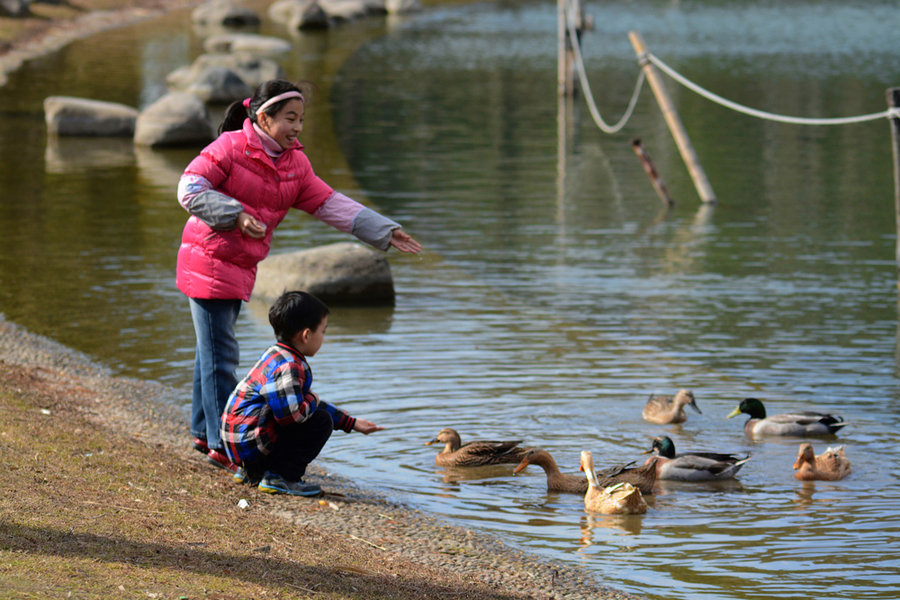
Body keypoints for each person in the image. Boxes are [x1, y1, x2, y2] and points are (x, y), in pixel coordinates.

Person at [176, 79, 420, 472]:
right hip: (208, 260)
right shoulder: (229, 148)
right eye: (290, 118)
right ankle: (224, 446)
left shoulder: (294, 163)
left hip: (240, 264)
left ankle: (205, 431)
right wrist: (235, 215)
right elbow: (188, 188)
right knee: (220, 353)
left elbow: (330, 203)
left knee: (213, 351)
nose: (297, 127)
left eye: (301, 119)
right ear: (263, 117)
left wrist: (384, 231)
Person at [221, 290, 383, 496]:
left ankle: (252, 471)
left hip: (239, 445)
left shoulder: (274, 354)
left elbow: (298, 404)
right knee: (321, 422)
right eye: (323, 331)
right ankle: (281, 477)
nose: (323, 337)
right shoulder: (290, 365)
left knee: (309, 410)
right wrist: (313, 399)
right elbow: (292, 417)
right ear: (306, 335)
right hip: (252, 446)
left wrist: (350, 423)